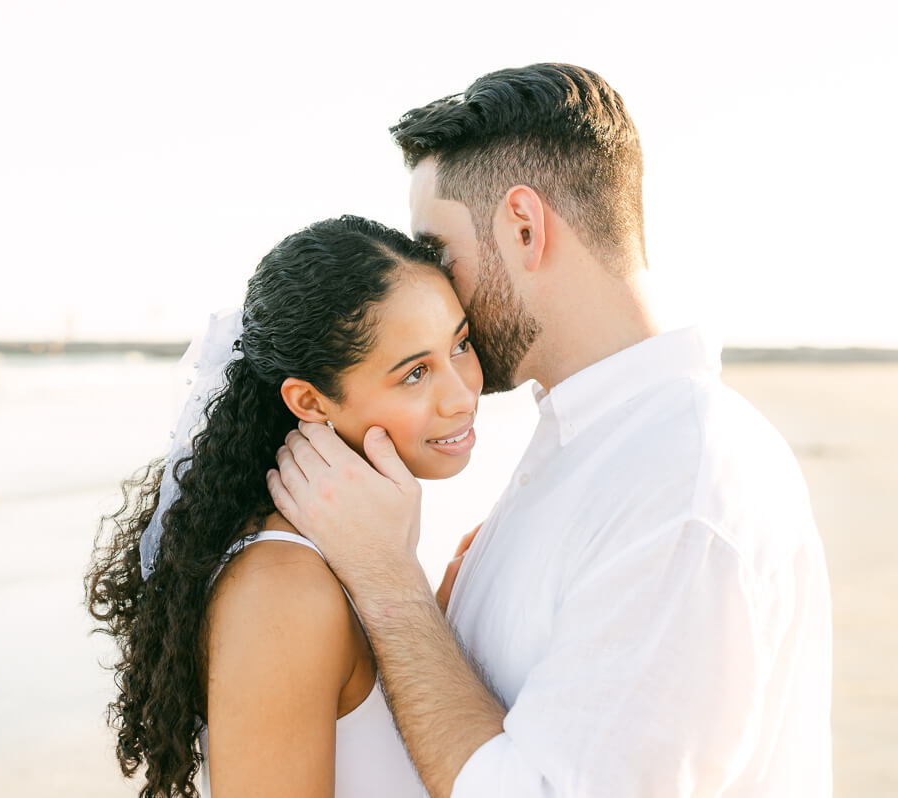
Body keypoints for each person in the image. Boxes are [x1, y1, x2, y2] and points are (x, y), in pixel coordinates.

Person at [269, 64, 832, 797]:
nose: (431, 288)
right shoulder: (591, 442)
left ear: (524, 228)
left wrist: (389, 585)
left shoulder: (682, 483)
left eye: (438, 254)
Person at [86, 215, 485, 797]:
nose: (462, 393)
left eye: (461, 344)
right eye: (416, 373)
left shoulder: (357, 553)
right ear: (310, 401)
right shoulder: (283, 588)